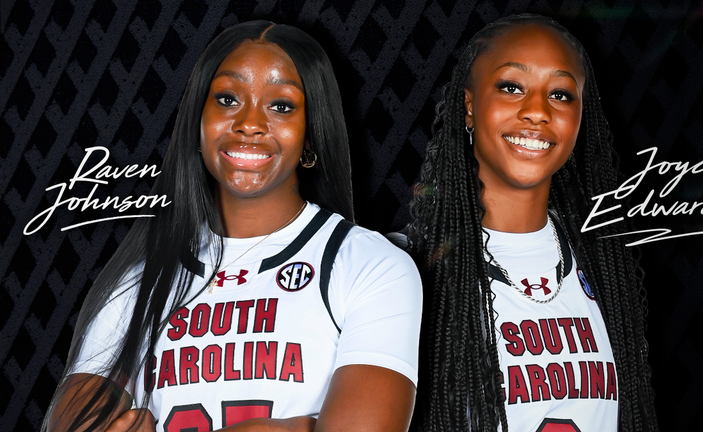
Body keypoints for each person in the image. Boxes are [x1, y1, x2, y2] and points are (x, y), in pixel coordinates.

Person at [44, 21, 421, 432]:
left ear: (311, 134)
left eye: (281, 106)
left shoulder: (371, 264)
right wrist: (298, 427)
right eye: (226, 98)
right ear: (197, 125)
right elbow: (72, 419)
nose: (250, 122)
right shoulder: (138, 281)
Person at [405, 14, 657, 432]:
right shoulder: (411, 268)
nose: (537, 111)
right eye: (511, 87)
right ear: (469, 107)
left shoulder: (604, 262)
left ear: (580, 117)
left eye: (560, 94)